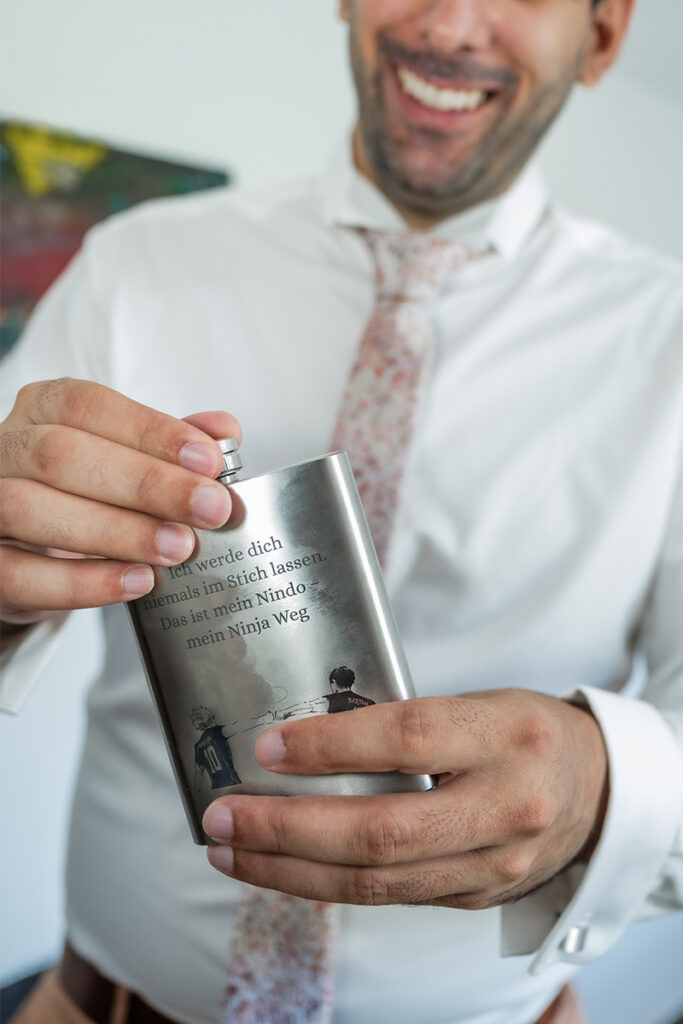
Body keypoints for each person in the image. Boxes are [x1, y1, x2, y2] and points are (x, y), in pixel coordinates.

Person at [1, 1, 682, 1022]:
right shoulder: (132, 265)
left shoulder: (667, 343)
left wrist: (608, 790)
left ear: (600, 38)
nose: (451, 25)